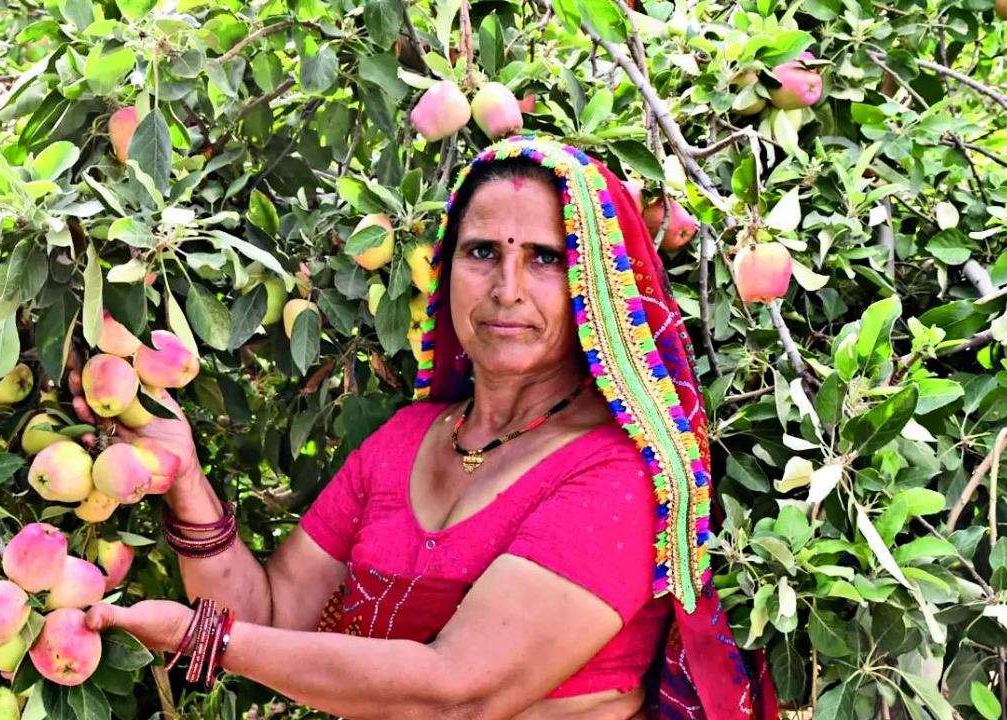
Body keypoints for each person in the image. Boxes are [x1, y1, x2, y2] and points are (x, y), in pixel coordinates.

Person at [81, 136, 778, 720]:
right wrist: (187, 481)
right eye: (482, 252)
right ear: (445, 270)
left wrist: (200, 636)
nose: (507, 287)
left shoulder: (617, 474)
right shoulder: (407, 439)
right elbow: (270, 616)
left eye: (545, 257)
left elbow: (458, 692)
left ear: (593, 282)